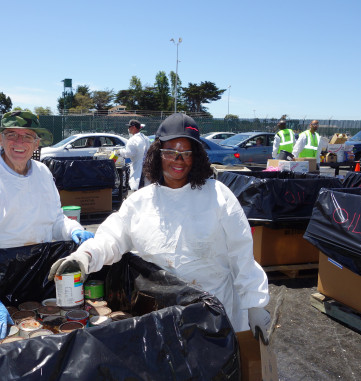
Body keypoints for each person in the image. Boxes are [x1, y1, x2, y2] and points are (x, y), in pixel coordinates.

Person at [49, 113, 271, 341]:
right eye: (171, 152)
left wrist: (255, 304)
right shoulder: (140, 202)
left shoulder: (218, 196)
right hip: (160, 319)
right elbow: (111, 238)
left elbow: (241, 253)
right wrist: (84, 257)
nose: (179, 159)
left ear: (197, 158)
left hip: (215, 318)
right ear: (157, 154)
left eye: (187, 153)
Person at [0, 110, 94, 344]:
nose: (19, 142)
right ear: (1, 140)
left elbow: (54, 219)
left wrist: (72, 230)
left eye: (27, 136)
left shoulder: (43, 173)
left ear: (37, 142)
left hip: (40, 279)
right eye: (12, 135)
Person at [119, 119, 150, 191]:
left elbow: (129, 153)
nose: (128, 129)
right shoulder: (145, 138)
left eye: (129, 127)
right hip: (147, 166)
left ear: (133, 127)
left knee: (139, 189)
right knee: (145, 189)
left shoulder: (133, 139)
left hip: (138, 167)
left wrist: (120, 152)